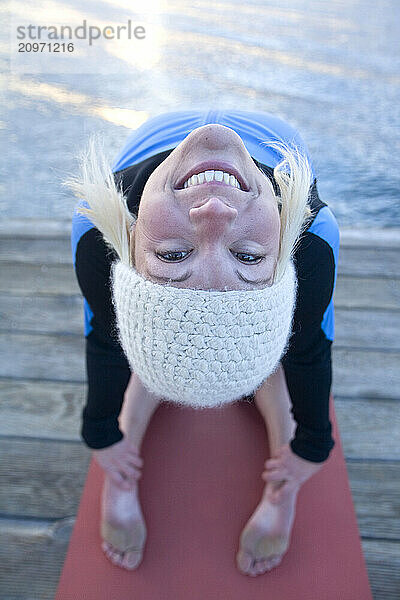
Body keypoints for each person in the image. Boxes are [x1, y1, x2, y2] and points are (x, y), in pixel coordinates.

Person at [69, 109, 339, 577]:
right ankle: (123, 477)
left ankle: (282, 492)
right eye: (248, 257)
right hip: (275, 141)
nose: (214, 212)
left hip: (160, 130)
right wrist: (102, 433)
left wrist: (311, 446)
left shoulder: (97, 227)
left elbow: (306, 348)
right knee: (180, 335)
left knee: (255, 336)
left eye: (172, 256)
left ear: (131, 243)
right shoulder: (311, 236)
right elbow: (108, 340)